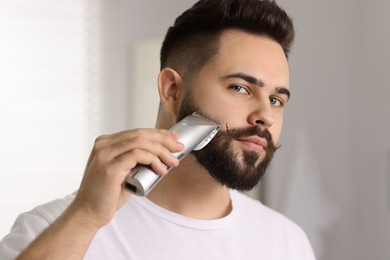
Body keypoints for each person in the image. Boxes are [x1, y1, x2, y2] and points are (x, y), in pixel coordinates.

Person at [0, 0, 316, 259]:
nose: (266, 117)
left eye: (276, 100)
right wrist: (86, 216)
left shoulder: (288, 242)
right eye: (240, 88)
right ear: (172, 91)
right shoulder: (50, 232)